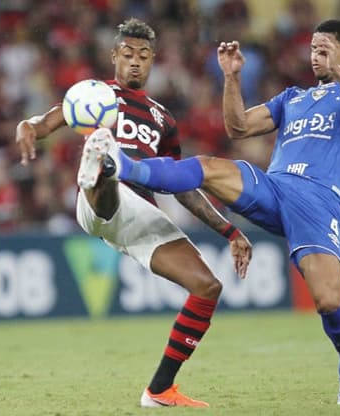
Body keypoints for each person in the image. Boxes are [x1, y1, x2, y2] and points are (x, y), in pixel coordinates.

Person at [93, 19, 340, 405]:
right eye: (313, 49)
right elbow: (237, 127)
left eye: (324, 49)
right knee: (208, 167)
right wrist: (232, 78)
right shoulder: (293, 98)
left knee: (329, 302)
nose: (315, 56)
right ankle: (124, 165)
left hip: (318, 200)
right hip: (275, 186)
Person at [14, 18, 252, 408]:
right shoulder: (95, 93)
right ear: (114, 57)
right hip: (97, 201)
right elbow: (47, 121)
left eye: (143, 56)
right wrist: (27, 125)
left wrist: (229, 232)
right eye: (128, 55)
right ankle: (103, 168)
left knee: (207, 287)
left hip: (139, 215)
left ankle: (159, 391)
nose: (136, 63)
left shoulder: (163, 119)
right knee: (108, 166)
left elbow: (182, 185)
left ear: (153, 60)